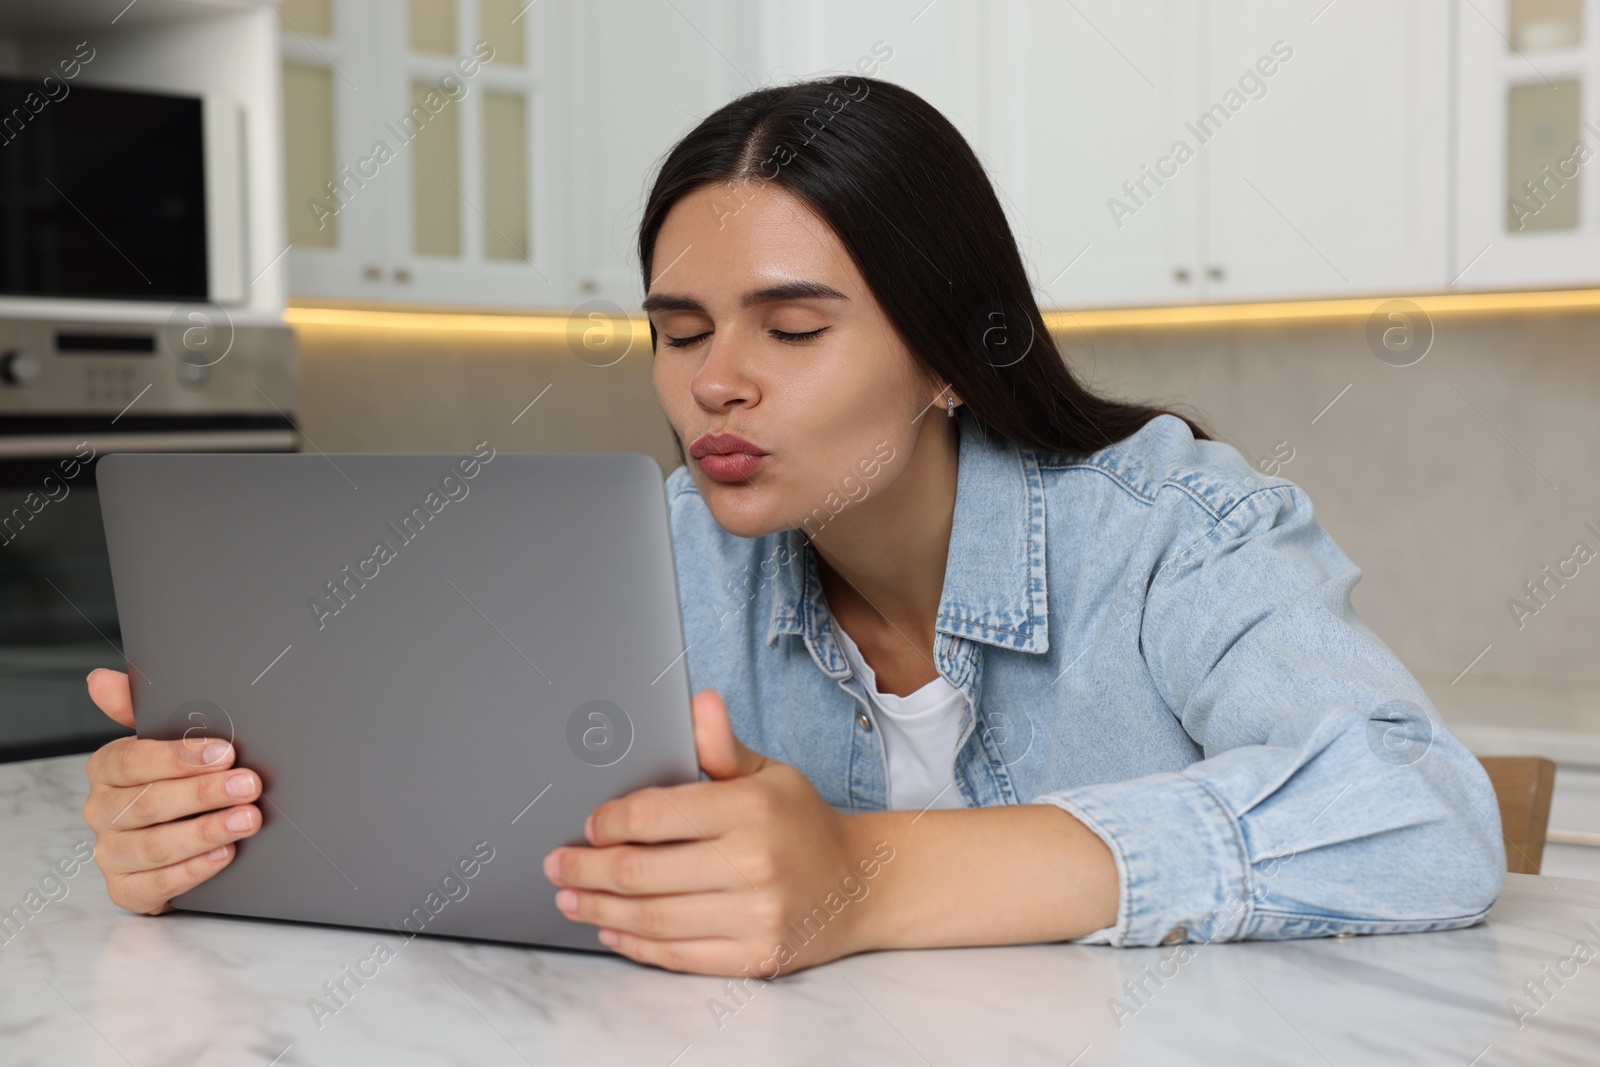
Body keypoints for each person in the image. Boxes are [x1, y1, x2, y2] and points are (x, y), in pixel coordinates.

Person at [81, 76, 1505, 978]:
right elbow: (474, 832)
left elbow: (1430, 819)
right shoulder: (650, 555)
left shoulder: (1174, 525)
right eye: (678, 330)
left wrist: (868, 879)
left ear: (951, 350)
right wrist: (215, 822)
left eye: (795, 326)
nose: (715, 382)